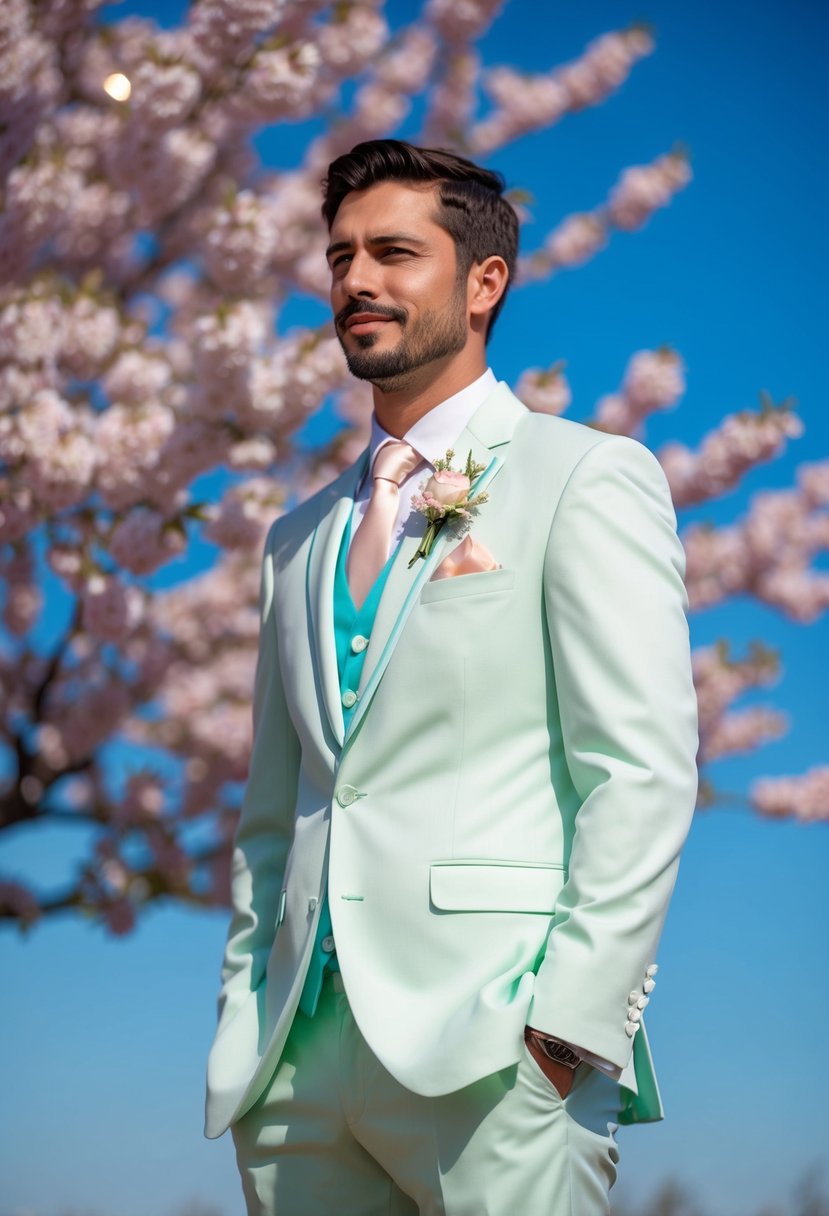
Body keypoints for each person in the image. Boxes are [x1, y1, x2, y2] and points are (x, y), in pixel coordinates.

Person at [204, 138, 699, 1216]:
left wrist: (569, 1025)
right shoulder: (295, 540)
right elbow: (272, 816)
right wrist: (245, 1020)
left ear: (484, 282)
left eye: (392, 252)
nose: (357, 282)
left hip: (497, 1057)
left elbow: (639, 769)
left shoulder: (584, 477)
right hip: (293, 1068)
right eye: (340, 257)